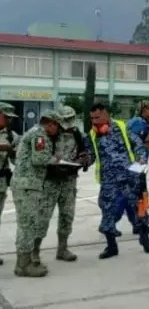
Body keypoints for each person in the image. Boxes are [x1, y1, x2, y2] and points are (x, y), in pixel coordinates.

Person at [84, 102, 149, 259]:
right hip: (108, 181)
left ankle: (144, 238)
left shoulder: (123, 127)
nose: (95, 121)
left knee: (138, 210)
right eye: (92, 118)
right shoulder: (93, 134)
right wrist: (84, 160)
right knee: (107, 212)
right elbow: (91, 156)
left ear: (106, 114)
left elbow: (139, 147)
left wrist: (139, 165)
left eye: (97, 117)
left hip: (129, 178)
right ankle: (111, 247)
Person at [12, 110, 65, 277]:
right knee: (27, 225)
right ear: (51, 124)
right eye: (58, 127)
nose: (58, 131)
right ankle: (23, 265)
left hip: (28, 184)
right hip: (27, 185)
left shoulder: (36, 132)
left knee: (27, 224)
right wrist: (54, 160)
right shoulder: (39, 135)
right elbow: (39, 159)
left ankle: (25, 261)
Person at [41, 105, 91, 263]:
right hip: (50, 182)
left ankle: (62, 249)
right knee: (42, 217)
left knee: (67, 216)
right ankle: (34, 253)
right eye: (65, 119)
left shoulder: (78, 135)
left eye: (70, 119)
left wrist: (86, 160)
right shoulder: (50, 134)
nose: (68, 123)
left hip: (69, 181)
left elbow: (88, 153)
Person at [109, 99, 149, 237]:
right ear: (145, 110)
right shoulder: (137, 123)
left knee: (141, 195)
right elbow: (131, 144)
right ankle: (110, 223)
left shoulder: (143, 123)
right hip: (134, 166)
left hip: (140, 166)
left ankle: (141, 224)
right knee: (126, 196)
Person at [0, 102, 20, 267]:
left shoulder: (12, 136)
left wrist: (14, 152)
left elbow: (16, 160)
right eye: (6, 117)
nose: (9, 121)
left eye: (10, 118)